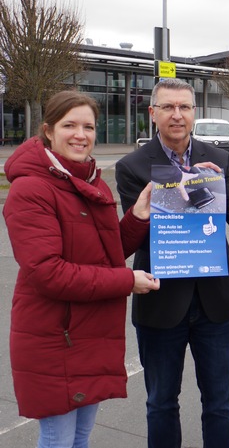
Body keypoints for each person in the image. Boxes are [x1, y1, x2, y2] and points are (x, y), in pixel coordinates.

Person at [115, 78, 229, 448]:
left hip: (216, 302)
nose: (177, 115)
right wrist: (192, 188)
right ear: (153, 114)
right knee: (161, 404)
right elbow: (137, 234)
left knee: (220, 405)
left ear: (195, 113)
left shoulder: (220, 159)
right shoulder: (132, 167)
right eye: (168, 107)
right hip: (161, 301)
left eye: (184, 107)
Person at [3, 90, 159, 448]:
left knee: (79, 438)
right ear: (48, 131)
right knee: (59, 439)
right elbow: (48, 273)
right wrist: (126, 281)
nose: (80, 134)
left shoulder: (89, 180)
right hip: (55, 337)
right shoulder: (31, 189)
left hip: (85, 335)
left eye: (88, 126)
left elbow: (105, 254)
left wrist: (137, 216)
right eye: (69, 125)